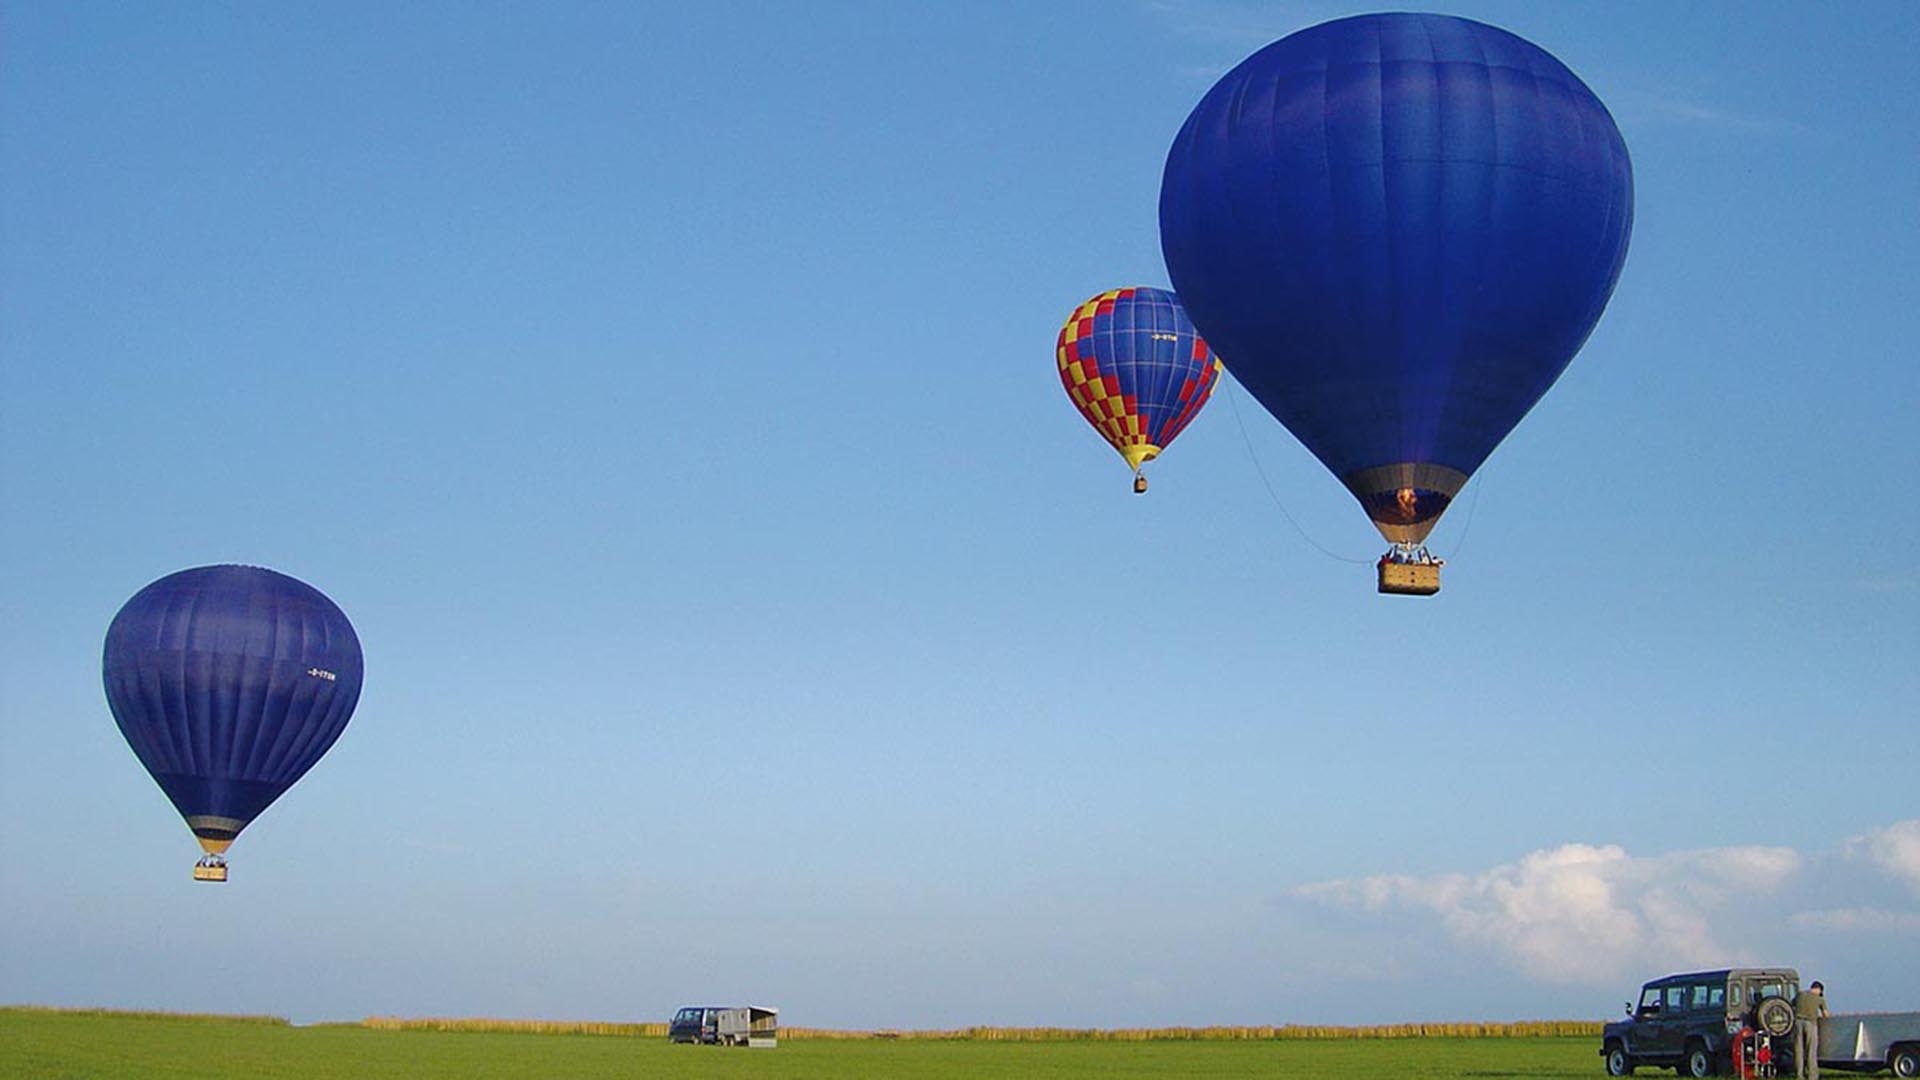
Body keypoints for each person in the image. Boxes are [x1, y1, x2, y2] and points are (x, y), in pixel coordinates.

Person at [1794, 980, 1828, 1080]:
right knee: (1811, 1050)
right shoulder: (1819, 998)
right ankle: (1812, 1075)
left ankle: (1799, 1075)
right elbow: (1825, 1014)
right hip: (1810, 1023)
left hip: (1797, 1022)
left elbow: (1792, 1004)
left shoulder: (1799, 995)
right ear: (1819, 989)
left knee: (1799, 1050)